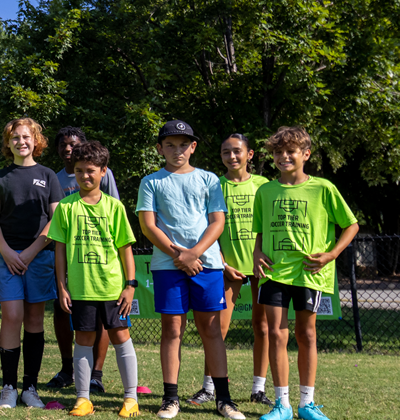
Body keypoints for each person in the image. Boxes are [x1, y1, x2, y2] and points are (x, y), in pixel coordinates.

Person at [137, 120, 245, 419]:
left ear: (193, 147)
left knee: (212, 330)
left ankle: (224, 400)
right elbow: (148, 225)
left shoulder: (209, 179)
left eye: (183, 144)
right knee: (172, 330)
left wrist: (194, 253)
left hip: (206, 264)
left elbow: (217, 221)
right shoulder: (151, 182)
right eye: (170, 145)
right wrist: (178, 255)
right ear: (160, 148)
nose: (177, 150)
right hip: (167, 265)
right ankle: (170, 399)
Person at [253, 127, 358, 420]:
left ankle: (306, 404)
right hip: (273, 273)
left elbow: (351, 225)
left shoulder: (323, 188)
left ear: (305, 154)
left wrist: (332, 254)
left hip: (310, 273)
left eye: (291, 151)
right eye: (278, 152)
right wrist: (256, 253)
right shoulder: (265, 190)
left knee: (306, 334)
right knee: (276, 334)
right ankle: (281, 405)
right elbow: (259, 231)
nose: (284, 157)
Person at [47, 141, 140, 417]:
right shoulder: (65, 208)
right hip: (81, 288)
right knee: (83, 339)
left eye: (90, 170)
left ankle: (131, 398)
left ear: (103, 171)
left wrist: (130, 285)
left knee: (121, 337)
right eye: (78, 170)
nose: (84, 176)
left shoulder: (114, 207)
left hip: (112, 288)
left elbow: (126, 249)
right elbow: (60, 251)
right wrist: (62, 286)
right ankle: (83, 398)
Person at [187, 134, 272, 407]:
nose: (232, 157)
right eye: (226, 152)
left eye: (237, 151)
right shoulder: (214, 185)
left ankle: (258, 388)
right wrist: (222, 262)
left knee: (264, 327)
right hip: (225, 268)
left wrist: (264, 258)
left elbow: (272, 225)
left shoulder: (264, 185)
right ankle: (209, 387)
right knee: (217, 329)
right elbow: (207, 226)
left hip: (264, 266)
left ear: (251, 154)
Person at [0, 118, 64, 409]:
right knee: (12, 316)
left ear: (36, 140)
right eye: (14, 137)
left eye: (26, 136)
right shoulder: (0, 177)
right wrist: (6, 250)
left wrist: (32, 251)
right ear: (8, 143)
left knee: (33, 320)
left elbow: (55, 219)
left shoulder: (48, 175)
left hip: (39, 257)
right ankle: (8, 387)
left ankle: (30, 388)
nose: (21, 141)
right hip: (7, 258)